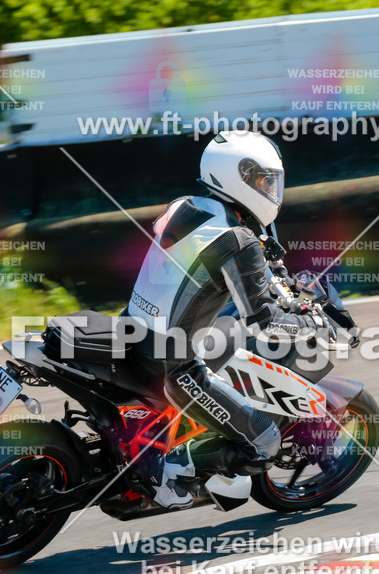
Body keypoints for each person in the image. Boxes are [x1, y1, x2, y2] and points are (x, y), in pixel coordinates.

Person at [119, 131, 322, 510]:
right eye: (265, 181)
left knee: (219, 331)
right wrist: (310, 326)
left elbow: (198, 267)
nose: (272, 190)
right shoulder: (239, 241)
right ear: (240, 178)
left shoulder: (185, 206)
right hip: (173, 368)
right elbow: (263, 322)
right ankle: (170, 470)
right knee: (265, 444)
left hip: (131, 331)